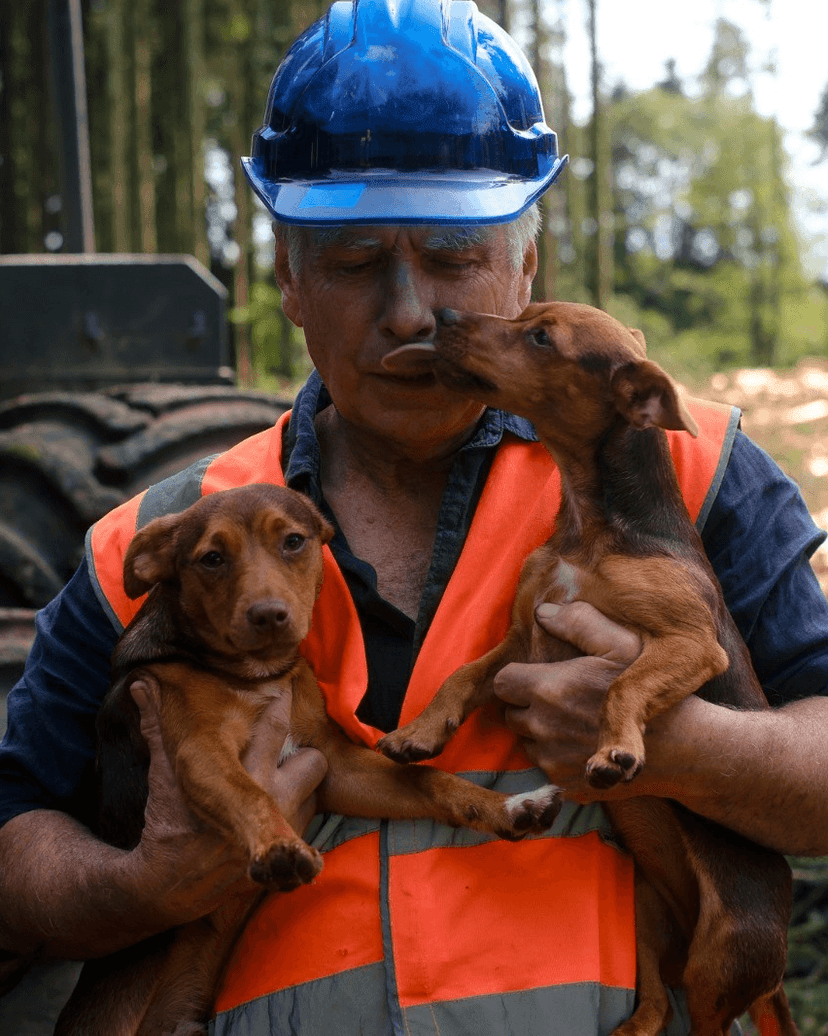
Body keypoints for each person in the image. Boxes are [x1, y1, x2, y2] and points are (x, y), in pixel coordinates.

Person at [2, 0, 828, 1032]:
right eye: (354, 263)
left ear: (526, 266)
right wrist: (141, 887)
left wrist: (686, 746)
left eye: (450, 259)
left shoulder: (691, 472)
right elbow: (13, 829)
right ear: (289, 280)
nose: (408, 311)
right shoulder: (162, 540)